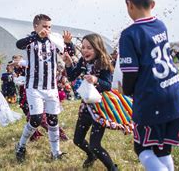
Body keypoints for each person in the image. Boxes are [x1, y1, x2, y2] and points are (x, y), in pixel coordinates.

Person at [119, 0, 179, 171]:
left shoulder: (129, 34)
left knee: (142, 147)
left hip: (152, 98)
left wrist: (126, 90)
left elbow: (131, 72)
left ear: (129, 5)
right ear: (153, 4)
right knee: (163, 149)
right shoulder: (160, 25)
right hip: (173, 93)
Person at [14, 14, 74, 162]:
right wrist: (36, 37)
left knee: (53, 119)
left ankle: (56, 153)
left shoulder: (53, 40)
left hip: (51, 86)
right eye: (44, 26)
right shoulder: (30, 40)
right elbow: (18, 44)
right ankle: (21, 145)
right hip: (34, 87)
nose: (47, 29)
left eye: (49, 27)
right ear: (36, 26)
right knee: (36, 119)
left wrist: (68, 43)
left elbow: (69, 54)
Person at [64, 33, 117, 170]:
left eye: (89, 48)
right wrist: (69, 64)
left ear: (97, 48)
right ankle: (91, 156)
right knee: (78, 140)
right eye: (83, 47)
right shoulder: (83, 61)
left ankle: (112, 168)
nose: (85, 50)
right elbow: (71, 76)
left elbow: (108, 85)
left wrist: (96, 80)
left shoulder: (105, 62)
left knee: (95, 145)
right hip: (86, 106)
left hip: (100, 109)